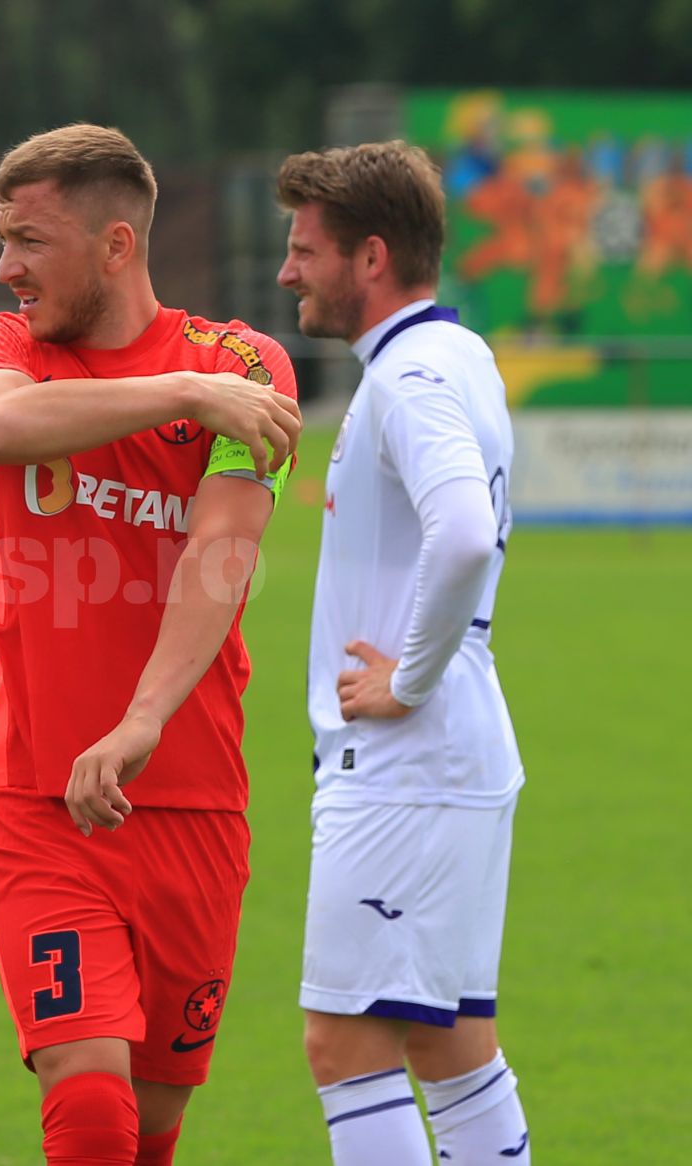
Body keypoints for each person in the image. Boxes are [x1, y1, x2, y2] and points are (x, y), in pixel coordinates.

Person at [0, 123, 301, 1166]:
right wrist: (182, 395)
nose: (4, 266)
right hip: (41, 803)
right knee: (90, 1106)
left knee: (149, 1129)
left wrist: (144, 715)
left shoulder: (246, 362)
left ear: (114, 246)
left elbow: (223, 551)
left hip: (193, 805)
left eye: (28, 240)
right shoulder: (1, 347)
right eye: (2, 238)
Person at [274, 140, 531, 1165]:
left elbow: (463, 529)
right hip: (450, 759)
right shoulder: (456, 355)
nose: (288, 270)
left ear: (369, 256)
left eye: (304, 249)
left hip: (405, 767)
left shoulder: (412, 375)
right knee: (449, 1042)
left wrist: (407, 675)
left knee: (343, 1043)